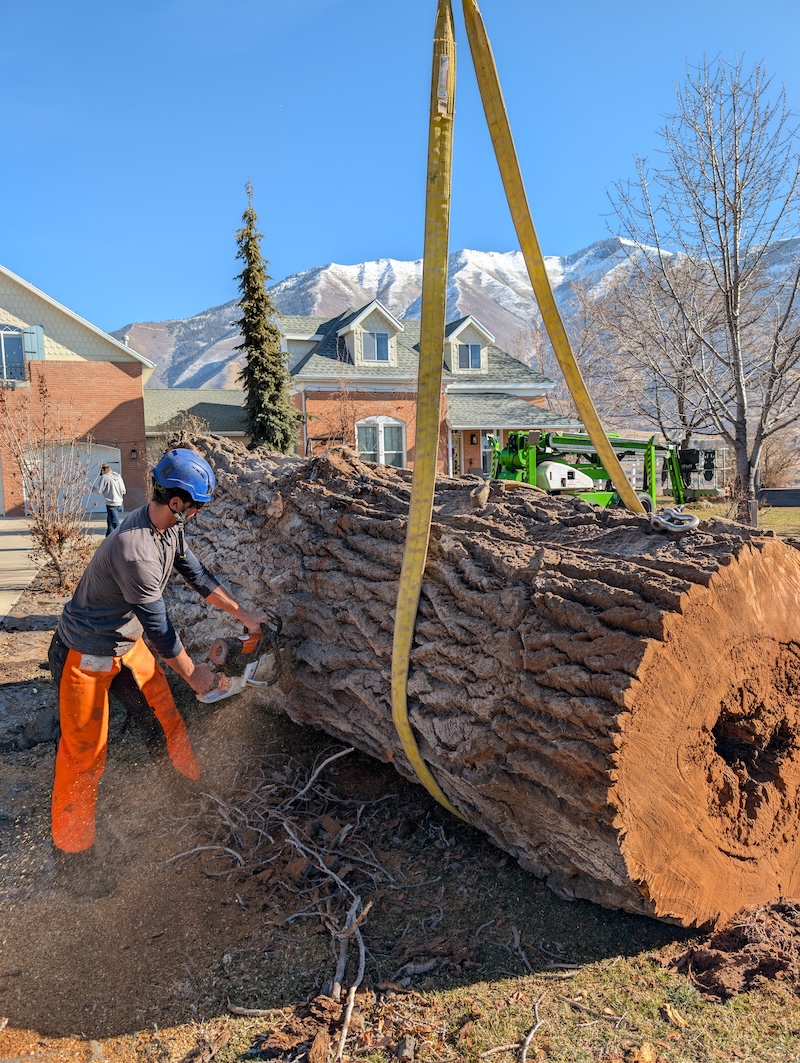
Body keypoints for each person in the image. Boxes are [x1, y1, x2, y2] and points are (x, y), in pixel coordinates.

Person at [48, 447, 270, 889]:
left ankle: (188, 796)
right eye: (197, 505)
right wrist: (197, 677)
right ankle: (76, 860)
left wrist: (243, 614)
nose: (200, 512)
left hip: (125, 642)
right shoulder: (136, 550)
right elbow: (162, 630)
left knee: (165, 717)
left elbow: (198, 574)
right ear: (176, 502)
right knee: (85, 756)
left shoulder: (169, 530)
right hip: (85, 653)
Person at [96, 463, 126, 536]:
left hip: (111, 503)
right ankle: (108, 538)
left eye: (101, 471)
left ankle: (123, 536)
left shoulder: (105, 477)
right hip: (119, 502)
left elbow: (99, 491)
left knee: (115, 524)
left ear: (103, 470)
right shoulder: (118, 476)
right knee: (110, 522)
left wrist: (91, 488)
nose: (101, 473)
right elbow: (124, 491)